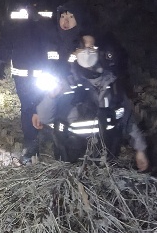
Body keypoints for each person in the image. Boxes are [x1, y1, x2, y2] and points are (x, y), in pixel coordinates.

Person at [33, 29, 149, 170]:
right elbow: (45, 118)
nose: (87, 52)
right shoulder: (64, 83)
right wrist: (51, 96)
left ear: (100, 52)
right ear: (75, 52)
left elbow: (127, 119)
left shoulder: (112, 84)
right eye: (82, 48)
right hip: (71, 165)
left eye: (92, 47)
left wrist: (140, 150)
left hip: (106, 165)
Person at [0, 0, 56, 164]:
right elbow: (7, 33)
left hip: (44, 66)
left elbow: (57, 35)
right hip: (21, 66)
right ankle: (30, 145)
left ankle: (55, 141)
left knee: (45, 103)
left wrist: (57, 62)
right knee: (27, 106)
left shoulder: (49, 2)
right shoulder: (13, 3)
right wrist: (1, 59)